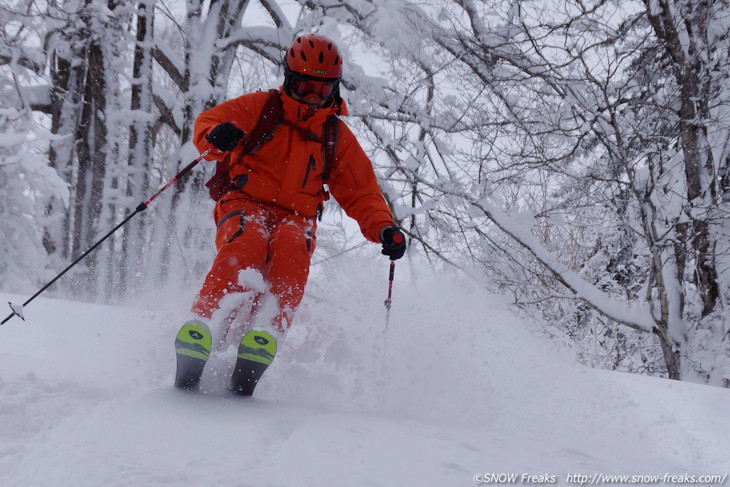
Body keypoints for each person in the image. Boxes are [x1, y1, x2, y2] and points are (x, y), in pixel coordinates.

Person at [174, 33, 406, 395]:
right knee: (246, 245)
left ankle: (265, 332)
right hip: (243, 202)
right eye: (305, 86)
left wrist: (384, 228)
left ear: (335, 89)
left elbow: (361, 191)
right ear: (288, 80)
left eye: (322, 89)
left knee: (291, 252)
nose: (314, 96)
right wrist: (215, 135)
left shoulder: (334, 136)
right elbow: (209, 122)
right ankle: (204, 322)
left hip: (297, 217)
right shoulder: (262, 108)